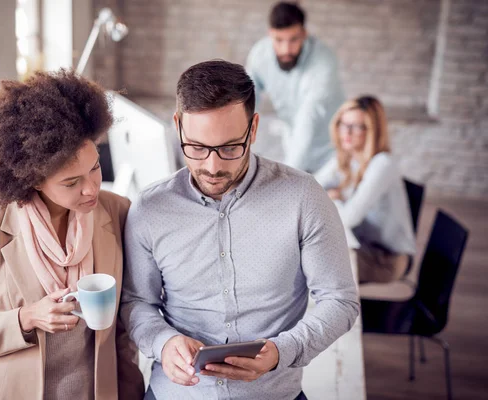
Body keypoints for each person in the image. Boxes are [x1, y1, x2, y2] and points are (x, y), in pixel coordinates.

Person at [120, 60, 359, 400]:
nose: (213, 167)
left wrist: (282, 350)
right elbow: (136, 302)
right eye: (197, 148)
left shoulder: (303, 197)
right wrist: (163, 341)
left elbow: (340, 300)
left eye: (231, 147)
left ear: (254, 127)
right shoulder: (149, 209)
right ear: (177, 127)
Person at [0, 70, 144, 400]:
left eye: (94, 167)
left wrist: (131, 390)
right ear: (34, 179)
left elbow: (122, 325)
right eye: (71, 182)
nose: (91, 188)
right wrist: (27, 317)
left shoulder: (117, 211)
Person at [315, 96, 416, 283]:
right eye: (343, 124)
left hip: (386, 259)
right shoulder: (348, 156)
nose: (346, 132)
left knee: (311, 265)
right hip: (359, 243)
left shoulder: (382, 164)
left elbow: (348, 218)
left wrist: (332, 198)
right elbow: (312, 186)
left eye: (356, 126)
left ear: (373, 131)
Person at [246, 1, 345, 173]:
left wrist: (288, 175)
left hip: (331, 151)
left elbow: (309, 117)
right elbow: (247, 100)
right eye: (279, 40)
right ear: (270, 34)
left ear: (304, 34)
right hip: (293, 142)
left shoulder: (323, 61)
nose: (286, 49)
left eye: (293, 40)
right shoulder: (259, 55)